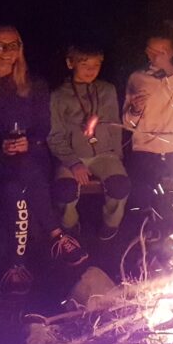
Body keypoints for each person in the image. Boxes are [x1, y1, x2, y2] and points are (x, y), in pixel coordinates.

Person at [0, 27, 87, 296]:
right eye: (1, 46)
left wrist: (28, 142)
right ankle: (57, 235)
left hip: (28, 156)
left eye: (14, 46)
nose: (8, 53)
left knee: (17, 182)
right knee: (17, 180)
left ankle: (16, 266)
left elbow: (43, 127)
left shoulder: (33, 85)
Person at [49, 45, 130, 241]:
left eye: (96, 65)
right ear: (70, 63)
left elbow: (115, 125)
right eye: (84, 64)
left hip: (105, 154)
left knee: (120, 186)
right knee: (65, 190)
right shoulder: (59, 96)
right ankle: (69, 225)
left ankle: (110, 224)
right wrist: (73, 163)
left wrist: (117, 156)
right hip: (72, 154)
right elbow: (54, 135)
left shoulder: (107, 90)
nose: (91, 70)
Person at [122, 26, 173, 224]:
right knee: (141, 193)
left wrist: (169, 71)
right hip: (147, 147)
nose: (157, 56)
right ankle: (145, 229)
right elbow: (128, 123)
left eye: (163, 52)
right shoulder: (138, 78)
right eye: (152, 51)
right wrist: (135, 110)